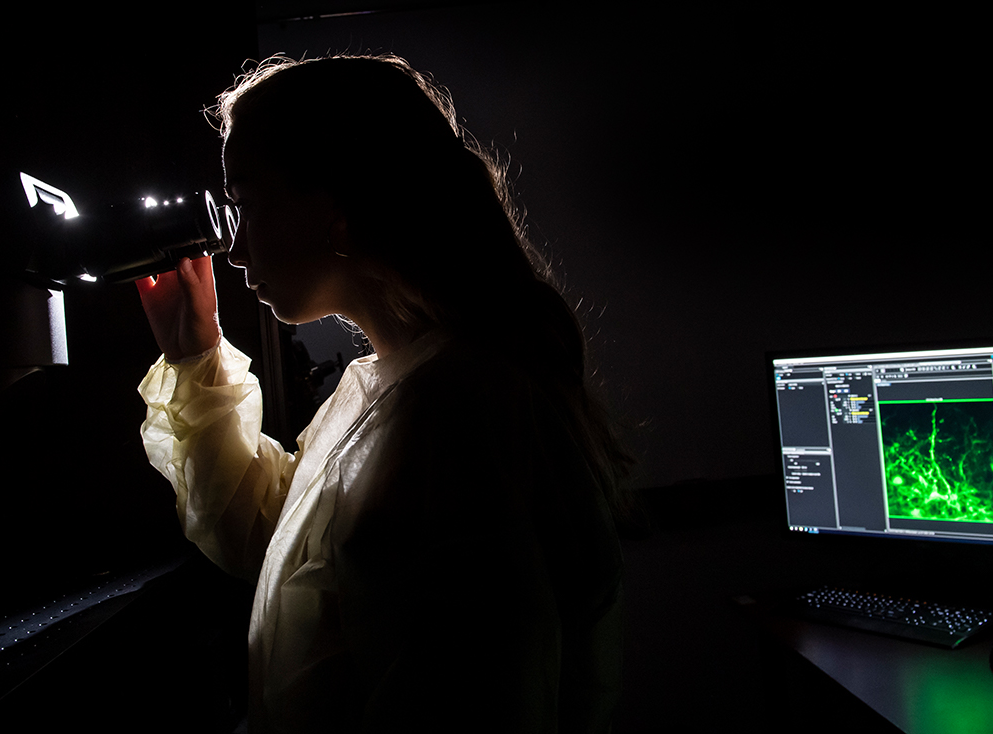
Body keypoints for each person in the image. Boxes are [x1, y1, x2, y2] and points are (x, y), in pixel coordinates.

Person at [135, 54, 631, 733]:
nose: (237, 248)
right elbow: (284, 543)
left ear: (336, 208)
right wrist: (195, 356)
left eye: (247, 203)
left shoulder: (460, 415)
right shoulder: (397, 386)